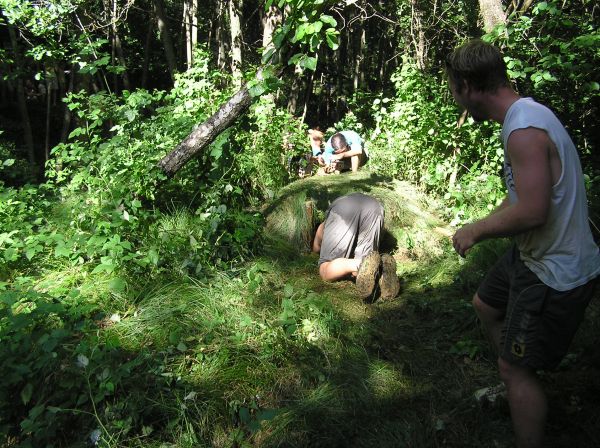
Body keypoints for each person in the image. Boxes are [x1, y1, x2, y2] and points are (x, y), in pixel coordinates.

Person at [446, 39, 600, 448]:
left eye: (453, 89)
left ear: (467, 85)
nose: (455, 98)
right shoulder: (523, 116)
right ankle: (515, 374)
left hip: (556, 271)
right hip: (533, 254)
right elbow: (521, 196)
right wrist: (482, 221)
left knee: (516, 369)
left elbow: (533, 212)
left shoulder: (524, 129)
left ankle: (517, 379)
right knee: (485, 304)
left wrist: (477, 231)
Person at [311, 193, 400, 300]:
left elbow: (316, 248)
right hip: (374, 206)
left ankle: (359, 263)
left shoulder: (323, 225)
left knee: (324, 268)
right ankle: (381, 272)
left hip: (343, 209)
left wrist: (318, 253)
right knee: (365, 270)